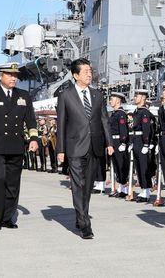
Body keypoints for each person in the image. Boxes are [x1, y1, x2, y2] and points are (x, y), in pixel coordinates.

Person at [0, 62, 39, 231]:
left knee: (12, 183)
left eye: (15, 75)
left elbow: (31, 120)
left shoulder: (24, 95)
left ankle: (8, 217)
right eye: (10, 75)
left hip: (16, 145)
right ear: (0, 76)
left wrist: (33, 139)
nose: (13, 78)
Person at [56, 58, 113, 239]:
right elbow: (62, 124)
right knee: (77, 184)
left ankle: (80, 216)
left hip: (94, 146)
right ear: (75, 75)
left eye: (90, 71)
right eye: (86, 71)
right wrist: (60, 149)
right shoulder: (66, 95)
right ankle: (85, 225)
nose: (90, 74)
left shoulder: (97, 95)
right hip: (74, 147)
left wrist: (110, 143)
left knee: (87, 186)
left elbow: (104, 120)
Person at [131, 89, 155, 202]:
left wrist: (146, 144)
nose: (135, 98)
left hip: (142, 141)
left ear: (143, 98)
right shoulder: (137, 111)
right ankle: (143, 189)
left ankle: (146, 191)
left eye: (137, 96)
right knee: (138, 167)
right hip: (137, 140)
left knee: (144, 166)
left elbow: (146, 129)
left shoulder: (144, 112)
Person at [108, 92, 130, 198]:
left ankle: (124, 189)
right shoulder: (114, 113)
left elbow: (123, 129)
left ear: (118, 100)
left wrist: (123, 142)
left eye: (112, 99)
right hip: (113, 141)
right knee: (116, 166)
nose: (110, 101)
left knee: (122, 166)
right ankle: (121, 188)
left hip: (119, 141)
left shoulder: (121, 113)